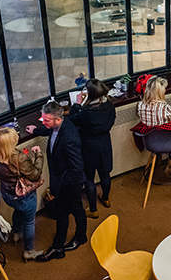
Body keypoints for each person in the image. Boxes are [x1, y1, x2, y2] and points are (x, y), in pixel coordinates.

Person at [26, 101, 88, 262]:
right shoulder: (57, 126)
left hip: (69, 182)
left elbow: (77, 166)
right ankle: (58, 245)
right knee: (63, 211)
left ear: (58, 120)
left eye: (46, 120)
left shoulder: (70, 138)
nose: (43, 121)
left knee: (75, 209)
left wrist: (62, 184)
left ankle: (78, 238)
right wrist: (37, 130)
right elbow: (50, 132)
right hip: (61, 180)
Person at [0, 127, 44, 261]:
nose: (17, 138)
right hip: (24, 196)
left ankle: (16, 232)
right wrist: (38, 155)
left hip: (7, 193)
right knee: (29, 222)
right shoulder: (19, 158)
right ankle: (29, 251)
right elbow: (35, 175)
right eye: (15, 139)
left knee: (18, 210)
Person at [71, 79, 116, 213]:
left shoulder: (86, 112)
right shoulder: (110, 106)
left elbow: (71, 120)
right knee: (105, 174)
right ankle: (106, 199)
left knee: (89, 178)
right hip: (105, 144)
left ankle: (93, 210)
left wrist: (77, 104)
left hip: (89, 147)